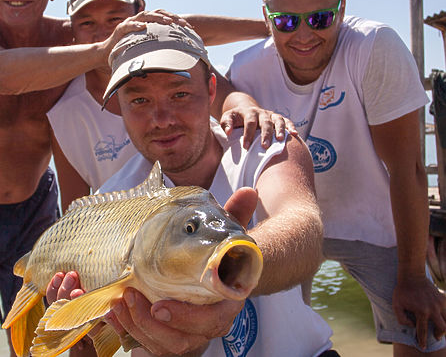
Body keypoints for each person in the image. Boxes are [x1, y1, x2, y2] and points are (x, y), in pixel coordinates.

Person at [0, 0, 287, 356]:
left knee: (28, 339)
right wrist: (109, 47)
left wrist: (272, 26)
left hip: (34, 207)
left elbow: (179, 30)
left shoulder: (68, 35)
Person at [47, 22, 336, 357]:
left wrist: (233, 264)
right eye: (139, 100)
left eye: (179, 94)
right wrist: (79, 331)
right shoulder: (110, 205)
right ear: (119, 108)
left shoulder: (266, 144)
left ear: (212, 90)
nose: (162, 118)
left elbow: (304, 228)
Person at [226, 0, 446, 356]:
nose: (305, 35)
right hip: (288, 220)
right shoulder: (244, 70)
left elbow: (407, 167)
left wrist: (414, 273)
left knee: (424, 331)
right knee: (267, 337)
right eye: (287, 21)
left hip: (375, 219)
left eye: (321, 18)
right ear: (267, 17)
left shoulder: (374, 47)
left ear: (342, 9)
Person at [47, 0, 294, 211]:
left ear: (140, 16)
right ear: (72, 29)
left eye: (115, 19)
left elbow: (227, 98)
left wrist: (249, 108)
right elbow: (75, 212)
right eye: (87, 23)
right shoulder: (65, 113)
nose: (104, 33)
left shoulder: (175, 62)